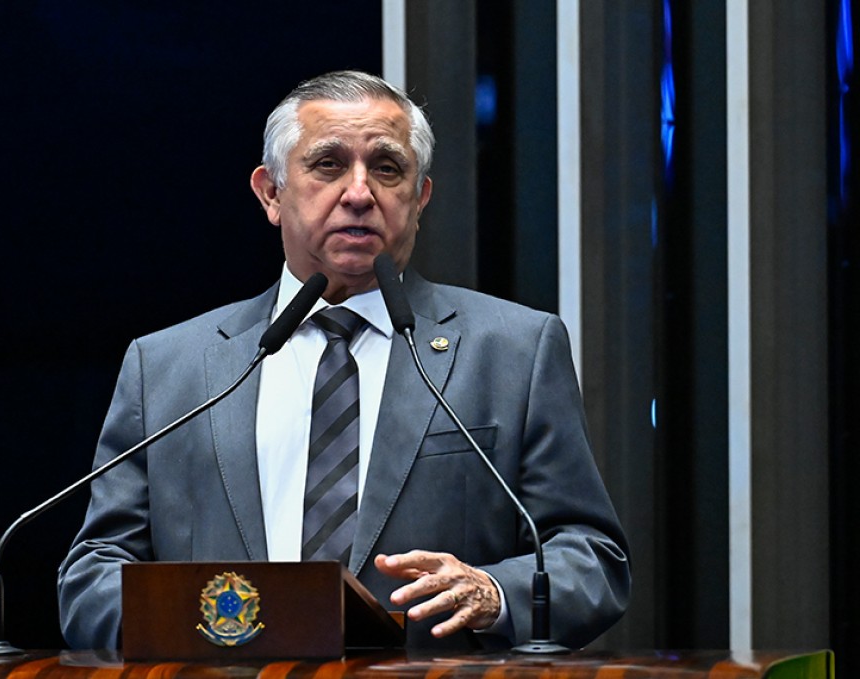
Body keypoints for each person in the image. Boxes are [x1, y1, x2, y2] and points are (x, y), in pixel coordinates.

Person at [58, 70, 630, 651]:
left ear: (420, 198)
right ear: (271, 193)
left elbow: (592, 559)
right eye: (328, 165)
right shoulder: (167, 367)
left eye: (387, 168)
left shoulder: (514, 350)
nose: (359, 193)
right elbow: (92, 577)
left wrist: (494, 592)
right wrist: (205, 625)